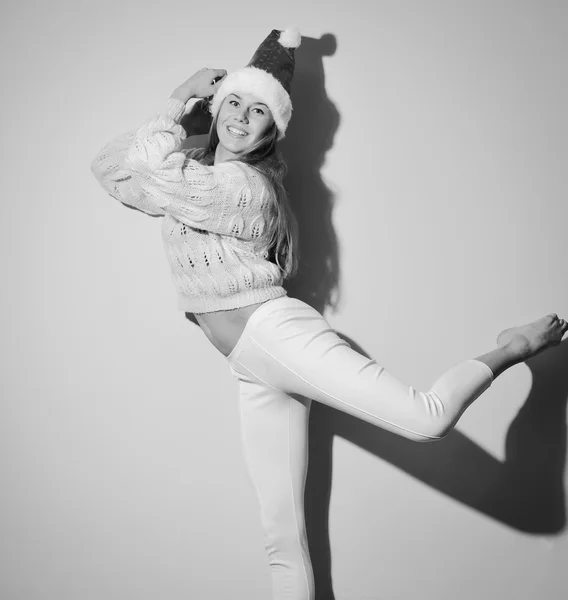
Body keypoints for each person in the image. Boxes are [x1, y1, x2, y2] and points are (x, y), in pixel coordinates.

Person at [91, 28, 567, 600]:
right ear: (216, 110)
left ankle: (516, 348)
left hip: (277, 335)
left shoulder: (245, 187)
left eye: (259, 109)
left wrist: (179, 96)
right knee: (283, 541)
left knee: (427, 419)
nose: (242, 117)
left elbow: (150, 173)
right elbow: (110, 166)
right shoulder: (193, 170)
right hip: (251, 364)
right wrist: (189, 106)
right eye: (234, 103)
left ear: (274, 128)